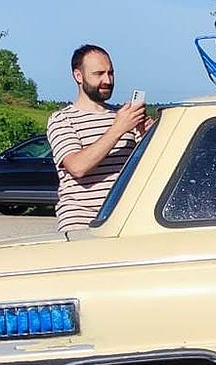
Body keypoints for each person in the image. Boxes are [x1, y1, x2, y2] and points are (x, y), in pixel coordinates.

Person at [46, 44, 149, 235]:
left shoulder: (124, 116)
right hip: (81, 223)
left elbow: (151, 165)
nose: (107, 80)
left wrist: (147, 133)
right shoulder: (62, 120)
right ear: (78, 76)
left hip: (125, 220)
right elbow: (77, 167)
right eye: (98, 74)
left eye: (110, 73)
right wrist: (118, 128)